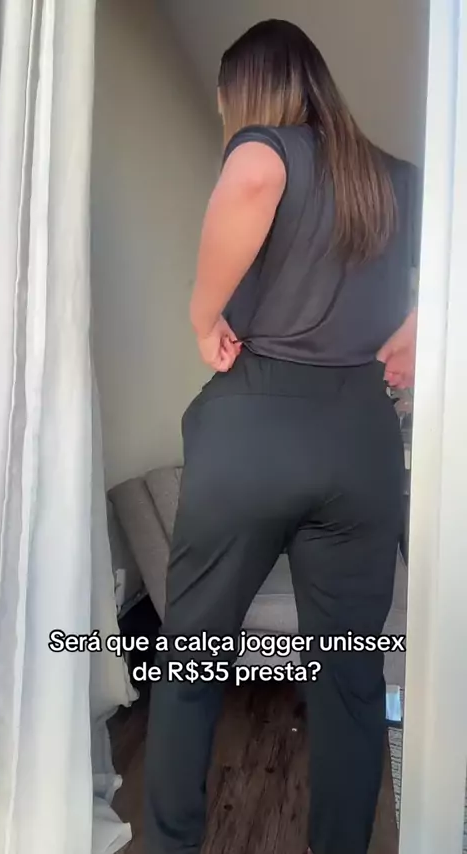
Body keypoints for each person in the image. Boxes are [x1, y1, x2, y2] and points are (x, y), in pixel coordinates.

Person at [144, 19, 419, 854]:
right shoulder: (395, 177)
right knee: (349, 675)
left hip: (256, 424)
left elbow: (255, 176)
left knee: (193, 662)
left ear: (246, 92)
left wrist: (203, 316)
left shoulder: (267, 146)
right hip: (362, 435)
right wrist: (421, 330)